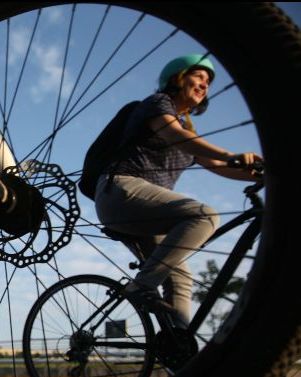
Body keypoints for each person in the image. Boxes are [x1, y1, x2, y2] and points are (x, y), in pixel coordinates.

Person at [94, 54, 262, 328]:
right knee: (204, 216)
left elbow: (217, 165)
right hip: (122, 189)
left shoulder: (187, 129)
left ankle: (179, 356)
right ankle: (140, 288)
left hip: (145, 211)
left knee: (180, 276)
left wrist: (262, 174)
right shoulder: (157, 104)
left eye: (208, 82)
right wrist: (233, 154)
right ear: (178, 78)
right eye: (199, 77)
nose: (205, 85)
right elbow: (175, 136)